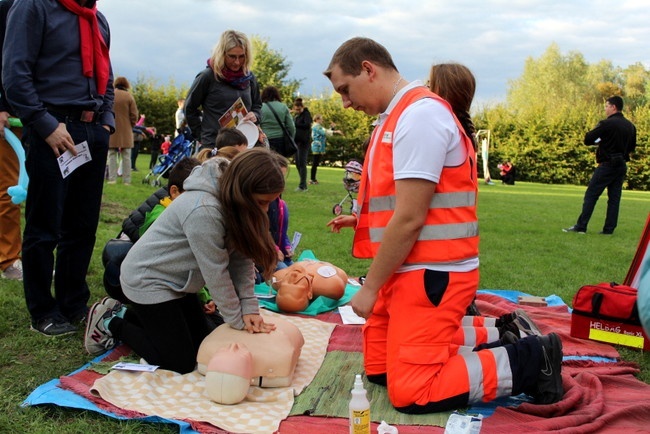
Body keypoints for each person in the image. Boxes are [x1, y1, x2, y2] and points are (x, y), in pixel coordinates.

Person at [324, 37, 563, 413]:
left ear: (368, 70)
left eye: (345, 89)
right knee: (379, 369)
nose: (345, 102)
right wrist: (364, 222)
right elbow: (407, 203)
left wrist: (369, 288)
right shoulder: (401, 115)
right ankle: (499, 332)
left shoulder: (419, 116)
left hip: (431, 272)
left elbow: (410, 216)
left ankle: (530, 360)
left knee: (412, 391)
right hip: (407, 266)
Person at [85, 149, 282, 373]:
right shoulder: (203, 210)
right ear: (243, 190)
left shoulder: (238, 204)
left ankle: (130, 316)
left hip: (179, 284)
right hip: (148, 281)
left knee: (202, 347)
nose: (265, 210)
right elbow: (216, 272)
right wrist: (238, 322)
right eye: (262, 202)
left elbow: (241, 259)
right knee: (181, 364)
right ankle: (111, 321)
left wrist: (249, 310)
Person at [3, 0, 114, 336]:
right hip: (52, 129)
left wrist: (106, 123)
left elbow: (106, 76)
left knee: (82, 226)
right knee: (44, 226)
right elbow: (14, 73)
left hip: (91, 132)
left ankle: (74, 304)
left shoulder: (99, 19)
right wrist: (44, 123)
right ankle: (43, 311)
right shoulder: (33, 7)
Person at [563, 96, 636, 235]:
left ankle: (581, 226)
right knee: (614, 198)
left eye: (606, 107)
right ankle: (609, 229)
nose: (605, 110)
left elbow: (588, 138)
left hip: (607, 164)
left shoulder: (607, 124)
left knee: (591, 194)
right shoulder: (630, 126)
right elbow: (631, 147)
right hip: (621, 164)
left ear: (613, 107)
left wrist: (600, 141)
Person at [184, 30, 261, 150]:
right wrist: (202, 136)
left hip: (243, 146)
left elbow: (257, 105)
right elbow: (189, 108)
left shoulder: (249, 78)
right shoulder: (207, 76)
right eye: (232, 56)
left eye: (241, 57)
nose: (237, 62)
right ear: (222, 53)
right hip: (213, 146)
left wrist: (255, 115)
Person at [0, 0, 23, 281]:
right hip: (10, 118)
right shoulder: (9, 8)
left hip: (35, 116)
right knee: (8, 189)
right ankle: (8, 260)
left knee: (21, 189)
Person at [107, 76, 138, 185]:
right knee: (126, 156)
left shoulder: (111, 95)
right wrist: (131, 125)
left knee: (111, 155)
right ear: (126, 85)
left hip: (112, 129)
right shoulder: (129, 96)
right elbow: (134, 115)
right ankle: (126, 180)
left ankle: (112, 179)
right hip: (126, 130)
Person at [260, 85, 296, 157]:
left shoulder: (260, 107)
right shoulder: (283, 106)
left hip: (264, 139)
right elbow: (291, 126)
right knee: (279, 164)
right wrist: (291, 137)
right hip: (280, 140)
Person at [310, 114, 341, 185]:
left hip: (318, 146)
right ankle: (312, 179)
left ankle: (313, 178)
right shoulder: (316, 127)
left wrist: (332, 128)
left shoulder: (318, 126)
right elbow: (324, 132)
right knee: (315, 163)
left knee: (316, 163)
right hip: (317, 146)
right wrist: (335, 131)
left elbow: (326, 131)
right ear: (317, 119)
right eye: (321, 119)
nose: (322, 120)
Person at [292, 97, 312, 192]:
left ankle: (303, 185)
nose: (297, 111)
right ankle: (302, 182)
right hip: (296, 142)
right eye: (296, 109)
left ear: (302, 107)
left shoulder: (306, 114)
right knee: (297, 163)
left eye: (299, 109)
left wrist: (294, 125)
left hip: (304, 142)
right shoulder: (297, 116)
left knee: (302, 163)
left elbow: (307, 125)